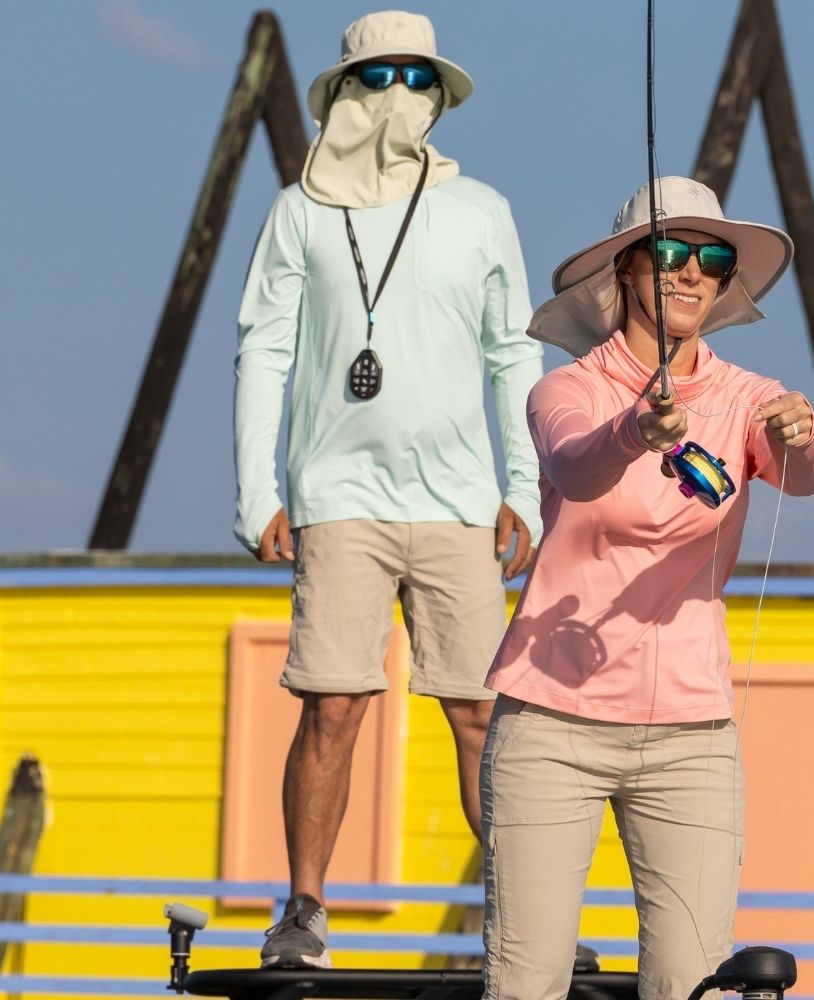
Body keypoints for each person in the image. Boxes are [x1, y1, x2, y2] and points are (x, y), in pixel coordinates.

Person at [233, 10, 544, 969]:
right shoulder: (299, 210)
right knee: (331, 705)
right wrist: (255, 491)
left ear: (440, 96)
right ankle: (303, 911)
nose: (399, 93)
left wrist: (526, 488)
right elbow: (264, 349)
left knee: (483, 714)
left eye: (417, 76)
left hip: (460, 501)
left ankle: (524, 918)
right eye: (379, 76)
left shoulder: (481, 209)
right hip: (336, 497)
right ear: (342, 91)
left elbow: (514, 352)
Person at [479, 176, 814, 1000]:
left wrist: (802, 434)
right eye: (670, 251)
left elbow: (803, 476)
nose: (691, 271)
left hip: (691, 736)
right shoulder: (566, 389)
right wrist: (635, 430)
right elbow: (575, 466)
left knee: (692, 985)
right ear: (626, 270)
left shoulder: (749, 397)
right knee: (526, 983)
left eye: (713, 258)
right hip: (550, 724)